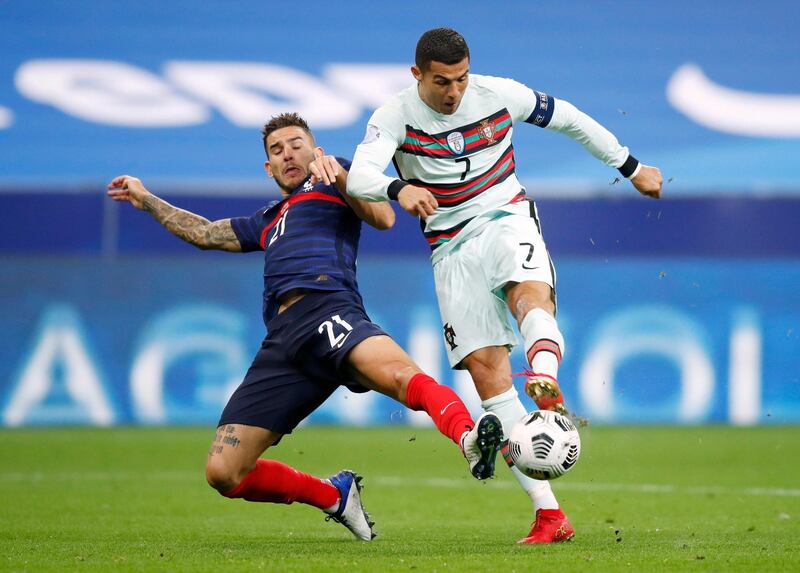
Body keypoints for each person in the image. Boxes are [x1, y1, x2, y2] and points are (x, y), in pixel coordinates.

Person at [106, 112, 503, 542]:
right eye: (277, 150)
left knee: (403, 377)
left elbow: (384, 218)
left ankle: (468, 438)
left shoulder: (337, 181)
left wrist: (344, 180)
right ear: (268, 168)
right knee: (224, 472)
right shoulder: (269, 219)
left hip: (329, 310)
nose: (287, 153)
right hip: (283, 344)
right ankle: (334, 494)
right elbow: (204, 232)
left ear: (314, 151)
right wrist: (146, 199)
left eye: (296, 144)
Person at [346, 28, 663, 544]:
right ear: (417, 75)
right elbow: (359, 175)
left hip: (504, 214)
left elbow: (570, 118)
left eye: (462, 78)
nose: (455, 91)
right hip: (449, 249)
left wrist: (629, 165)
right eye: (443, 81)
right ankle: (550, 515)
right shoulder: (393, 117)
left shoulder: (499, 95)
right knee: (487, 374)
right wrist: (399, 187)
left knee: (528, 293)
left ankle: (543, 376)